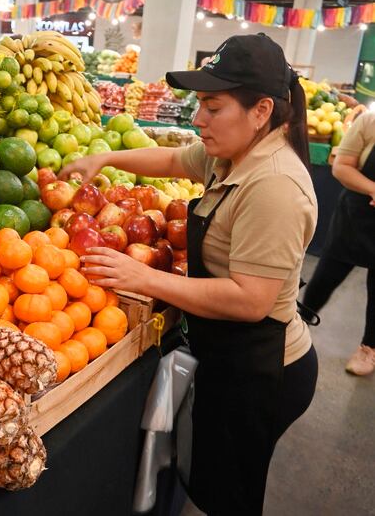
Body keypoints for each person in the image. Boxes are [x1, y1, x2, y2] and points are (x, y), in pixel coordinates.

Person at [60, 33, 318, 515]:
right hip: (228, 353)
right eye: (199, 104)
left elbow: (251, 300)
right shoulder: (235, 155)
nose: (199, 119)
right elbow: (174, 159)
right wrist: (106, 159)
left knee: (231, 496)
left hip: (262, 369)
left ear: (261, 110)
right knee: (213, 478)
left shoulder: (276, 186)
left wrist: (144, 278)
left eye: (213, 107)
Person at [302, 111, 375, 375]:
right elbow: (342, 166)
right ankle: (299, 323)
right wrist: (373, 188)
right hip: (357, 216)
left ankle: (369, 348)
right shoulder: (369, 123)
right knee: (325, 277)